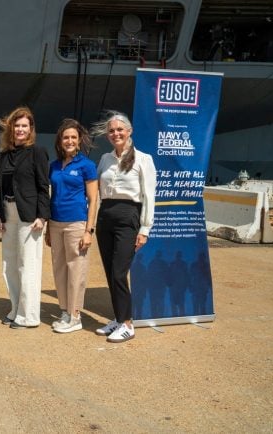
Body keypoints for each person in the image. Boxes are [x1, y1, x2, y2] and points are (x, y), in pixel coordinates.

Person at [91, 111, 156, 343]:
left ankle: (128, 323)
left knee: (119, 272)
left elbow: (149, 196)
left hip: (129, 216)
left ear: (129, 131)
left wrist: (145, 229)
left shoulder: (143, 159)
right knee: (110, 272)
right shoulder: (105, 160)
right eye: (111, 130)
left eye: (120, 129)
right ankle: (119, 319)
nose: (115, 133)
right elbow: (94, 189)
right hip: (106, 216)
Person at [0, 107, 50, 329]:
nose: (20, 129)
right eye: (16, 125)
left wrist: (42, 216)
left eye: (24, 126)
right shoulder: (6, 154)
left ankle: (29, 316)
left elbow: (43, 187)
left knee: (28, 265)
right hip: (8, 212)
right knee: (9, 264)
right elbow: (1, 186)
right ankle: (16, 308)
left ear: (31, 129)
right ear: (11, 128)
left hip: (29, 216)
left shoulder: (38, 152)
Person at [45, 118, 98, 334]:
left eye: (73, 137)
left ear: (79, 140)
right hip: (56, 223)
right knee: (59, 269)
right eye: (65, 137)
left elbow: (94, 199)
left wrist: (89, 230)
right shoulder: (54, 166)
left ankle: (76, 315)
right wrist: (49, 227)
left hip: (77, 223)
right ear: (60, 140)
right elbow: (51, 195)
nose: (69, 141)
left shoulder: (87, 165)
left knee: (76, 269)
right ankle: (65, 310)